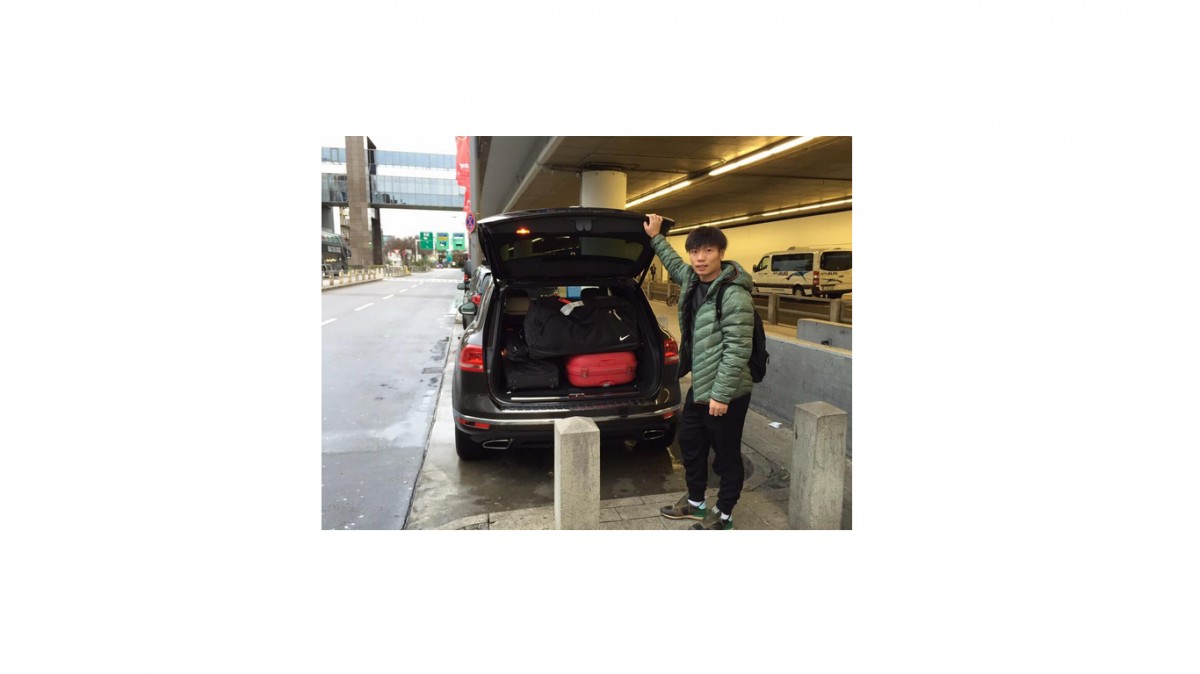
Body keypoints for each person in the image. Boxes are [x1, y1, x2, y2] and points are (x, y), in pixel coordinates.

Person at [643, 213, 755, 530]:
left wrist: (721, 396)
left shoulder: (733, 294)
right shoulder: (692, 279)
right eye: (695, 251)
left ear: (721, 253)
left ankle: (725, 514)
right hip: (701, 386)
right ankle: (696, 504)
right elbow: (674, 263)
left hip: (727, 391)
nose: (700, 258)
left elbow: (738, 349)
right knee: (691, 443)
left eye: (707, 251)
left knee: (726, 454)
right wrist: (655, 236)